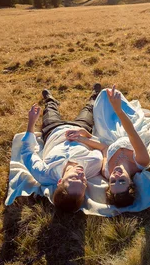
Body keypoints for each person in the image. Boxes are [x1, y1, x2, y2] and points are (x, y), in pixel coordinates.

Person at [20, 83, 105, 213]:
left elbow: (27, 152)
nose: (81, 174)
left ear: (60, 181)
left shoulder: (44, 174)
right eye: (83, 182)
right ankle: (95, 94)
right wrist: (83, 135)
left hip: (52, 130)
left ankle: (50, 99)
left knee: (49, 110)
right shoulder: (94, 164)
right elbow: (100, 147)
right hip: (79, 128)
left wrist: (31, 122)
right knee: (89, 109)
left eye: (74, 178)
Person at [98, 86, 150, 208]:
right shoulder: (142, 161)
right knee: (109, 97)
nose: (116, 176)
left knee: (103, 96)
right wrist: (118, 110)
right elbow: (131, 133)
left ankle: (94, 96)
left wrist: (83, 136)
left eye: (113, 181)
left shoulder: (106, 171)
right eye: (122, 181)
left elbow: (104, 149)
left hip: (109, 134)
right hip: (130, 128)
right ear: (131, 182)